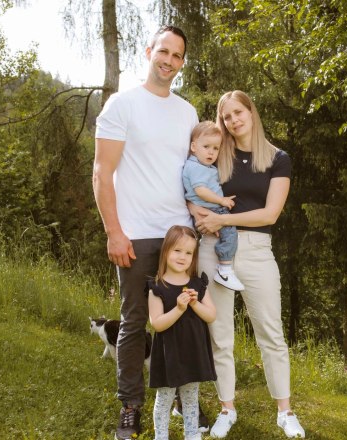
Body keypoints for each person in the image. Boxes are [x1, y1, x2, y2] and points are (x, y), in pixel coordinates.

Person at [93, 25, 205, 440]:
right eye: (164, 51)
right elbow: (102, 172)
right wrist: (114, 232)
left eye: (177, 56)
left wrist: (201, 219)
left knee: (179, 319)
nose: (169, 61)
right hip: (136, 233)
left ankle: (178, 398)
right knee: (135, 321)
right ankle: (131, 407)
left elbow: (193, 173)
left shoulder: (187, 112)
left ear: (181, 62)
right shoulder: (122, 105)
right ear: (148, 52)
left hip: (179, 234)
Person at [194, 90, 306, 438]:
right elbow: (193, 189)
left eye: (238, 113)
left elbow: (271, 213)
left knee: (271, 334)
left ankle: (285, 411)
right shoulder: (216, 156)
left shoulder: (277, 158)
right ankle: (227, 408)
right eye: (226, 117)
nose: (233, 121)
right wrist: (202, 219)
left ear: (251, 112)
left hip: (257, 250)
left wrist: (224, 221)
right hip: (213, 250)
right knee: (220, 336)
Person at [148, 225, 217, 440]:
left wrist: (195, 304)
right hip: (169, 354)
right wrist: (179, 309)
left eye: (188, 253)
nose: (182, 257)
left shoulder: (197, 284)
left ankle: (191, 434)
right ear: (166, 251)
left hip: (192, 351)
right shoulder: (157, 287)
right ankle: (161, 436)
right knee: (165, 397)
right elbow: (157, 324)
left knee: (190, 397)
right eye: (177, 250)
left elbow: (211, 315)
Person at [182, 121, 245, 291]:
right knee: (230, 233)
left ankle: (224, 266)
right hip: (211, 208)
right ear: (194, 147)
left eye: (216, 148)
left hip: (210, 208)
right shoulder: (196, 167)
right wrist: (221, 200)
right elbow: (201, 190)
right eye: (206, 146)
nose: (211, 152)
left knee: (227, 233)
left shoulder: (203, 165)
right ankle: (224, 269)